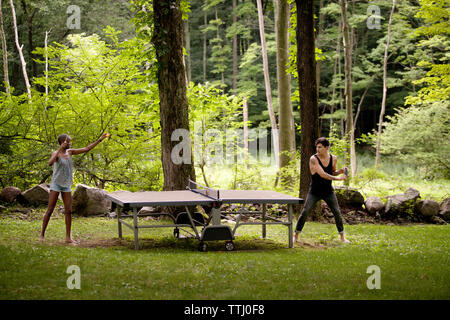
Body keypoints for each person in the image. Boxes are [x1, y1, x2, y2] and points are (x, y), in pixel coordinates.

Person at [40, 133, 109, 244]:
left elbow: (87, 149)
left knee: (68, 211)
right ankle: (42, 235)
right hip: (56, 184)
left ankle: (68, 237)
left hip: (66, 185)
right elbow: (50, 163)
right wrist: (59, 149)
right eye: (68, 141)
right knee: (50, 210)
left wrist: (100, 139)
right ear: (63, 142)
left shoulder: (70, 152)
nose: (70, 143)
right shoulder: (56, 154)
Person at [294, 137, 351, 244]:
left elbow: (332, 172)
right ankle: (296, 235)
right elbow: (322, 174)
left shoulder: (333, 158)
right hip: (314, 191)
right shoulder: (313, 159)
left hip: (328, 191)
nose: (317, 149)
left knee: (337, 212)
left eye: (320, 147)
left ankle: (342, 237)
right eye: (317, 147)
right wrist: (339, 179)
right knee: (305, 211)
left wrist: (340, 172)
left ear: (326, 147)